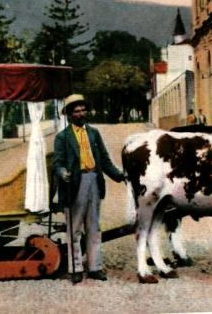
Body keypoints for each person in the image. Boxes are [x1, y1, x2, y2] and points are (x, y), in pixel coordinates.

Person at [53, 94, 126, 284]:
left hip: (94, 180)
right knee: (75, 229)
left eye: (83, 110)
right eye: (76, 111)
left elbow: (104, 158)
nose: (80, 113)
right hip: (74, 184)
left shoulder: (94, 133)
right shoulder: (63, 137)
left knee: (94, 227)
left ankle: (95, 267)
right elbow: (57, 163)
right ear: (69, 115)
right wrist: (62, 173)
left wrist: (119, 175)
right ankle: (75, 268)